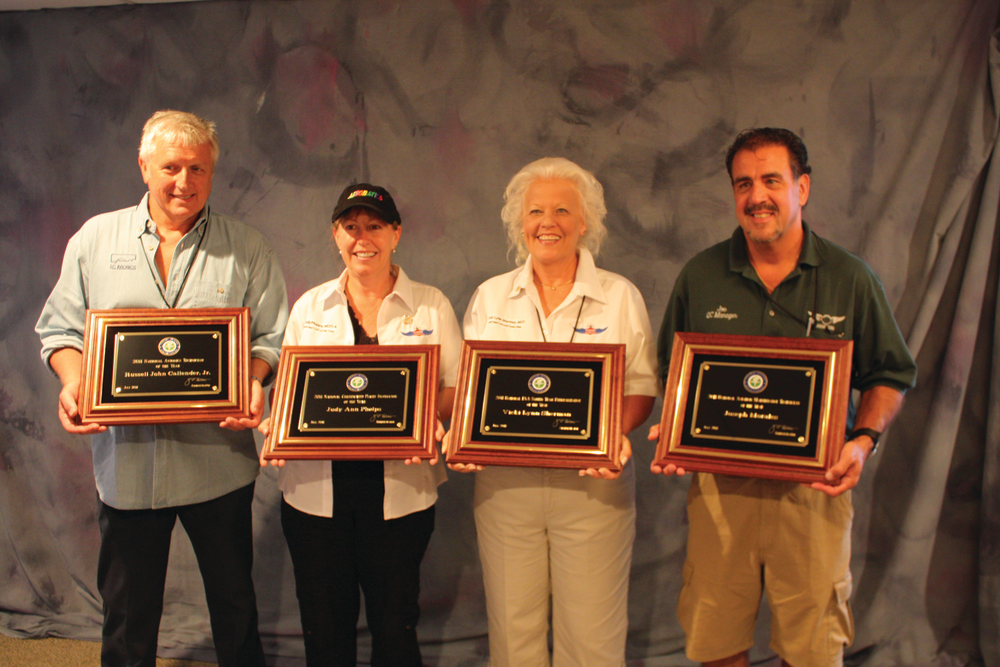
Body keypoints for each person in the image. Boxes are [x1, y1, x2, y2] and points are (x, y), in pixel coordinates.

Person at [650, 127, 918, 667]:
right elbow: (671, 372)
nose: (756, 196)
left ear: (803, 187)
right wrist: (675, 434)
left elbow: (889, 373)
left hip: (815, 493)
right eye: (743, 183)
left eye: (772, 179)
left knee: (814, 647)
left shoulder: (850, 278)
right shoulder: (700, 276)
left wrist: (862, 441)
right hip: (722, 494)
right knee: (715, 639)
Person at [35, 110, 288, 667]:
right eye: (171, 166)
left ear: (212, 174)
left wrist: (251, 379)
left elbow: (271, 334)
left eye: (198, 168)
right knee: (128, 613)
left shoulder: (246, 246)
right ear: (144, 166)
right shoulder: (95, 239)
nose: (185, 181)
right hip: (127, 466)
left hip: (218, 463)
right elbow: (59, 329)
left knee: (234, 605)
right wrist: (74, 383)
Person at [452, 157, 659, 666]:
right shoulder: (490, 296)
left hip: (594, 487)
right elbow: (472, 391)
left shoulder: (619, 296)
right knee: (513, 634)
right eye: (536, 212)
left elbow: (640, 387)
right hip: (506, 489)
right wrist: (462, 436)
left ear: (585, 221)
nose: (549, 223)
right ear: (519, 223)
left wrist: (614, 431)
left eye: (563, 210)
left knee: (591, 639)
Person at [259, 183, 461, 667]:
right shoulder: (311, 306)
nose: (361, 237)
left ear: (396, 234)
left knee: (396, 624)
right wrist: (277, 425)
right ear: (335, 235)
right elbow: (291, 390)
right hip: (315, 494)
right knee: (324, 626)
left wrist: (428, 418)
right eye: (351, 227)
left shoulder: (431, 304)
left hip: (400, 493)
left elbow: (455, 387)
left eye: (374, 226)